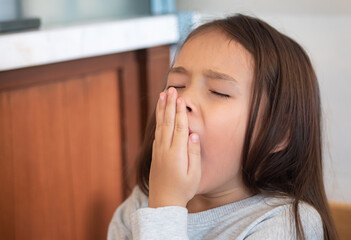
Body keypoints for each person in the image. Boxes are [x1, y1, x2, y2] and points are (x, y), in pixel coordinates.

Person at [107, 13, 338, 240]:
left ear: (279, 133)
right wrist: (160, 203)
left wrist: (165, 208)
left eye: (218, 92)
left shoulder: (288, 223)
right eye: (177, 85)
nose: (183, 100)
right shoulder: (141, 203)